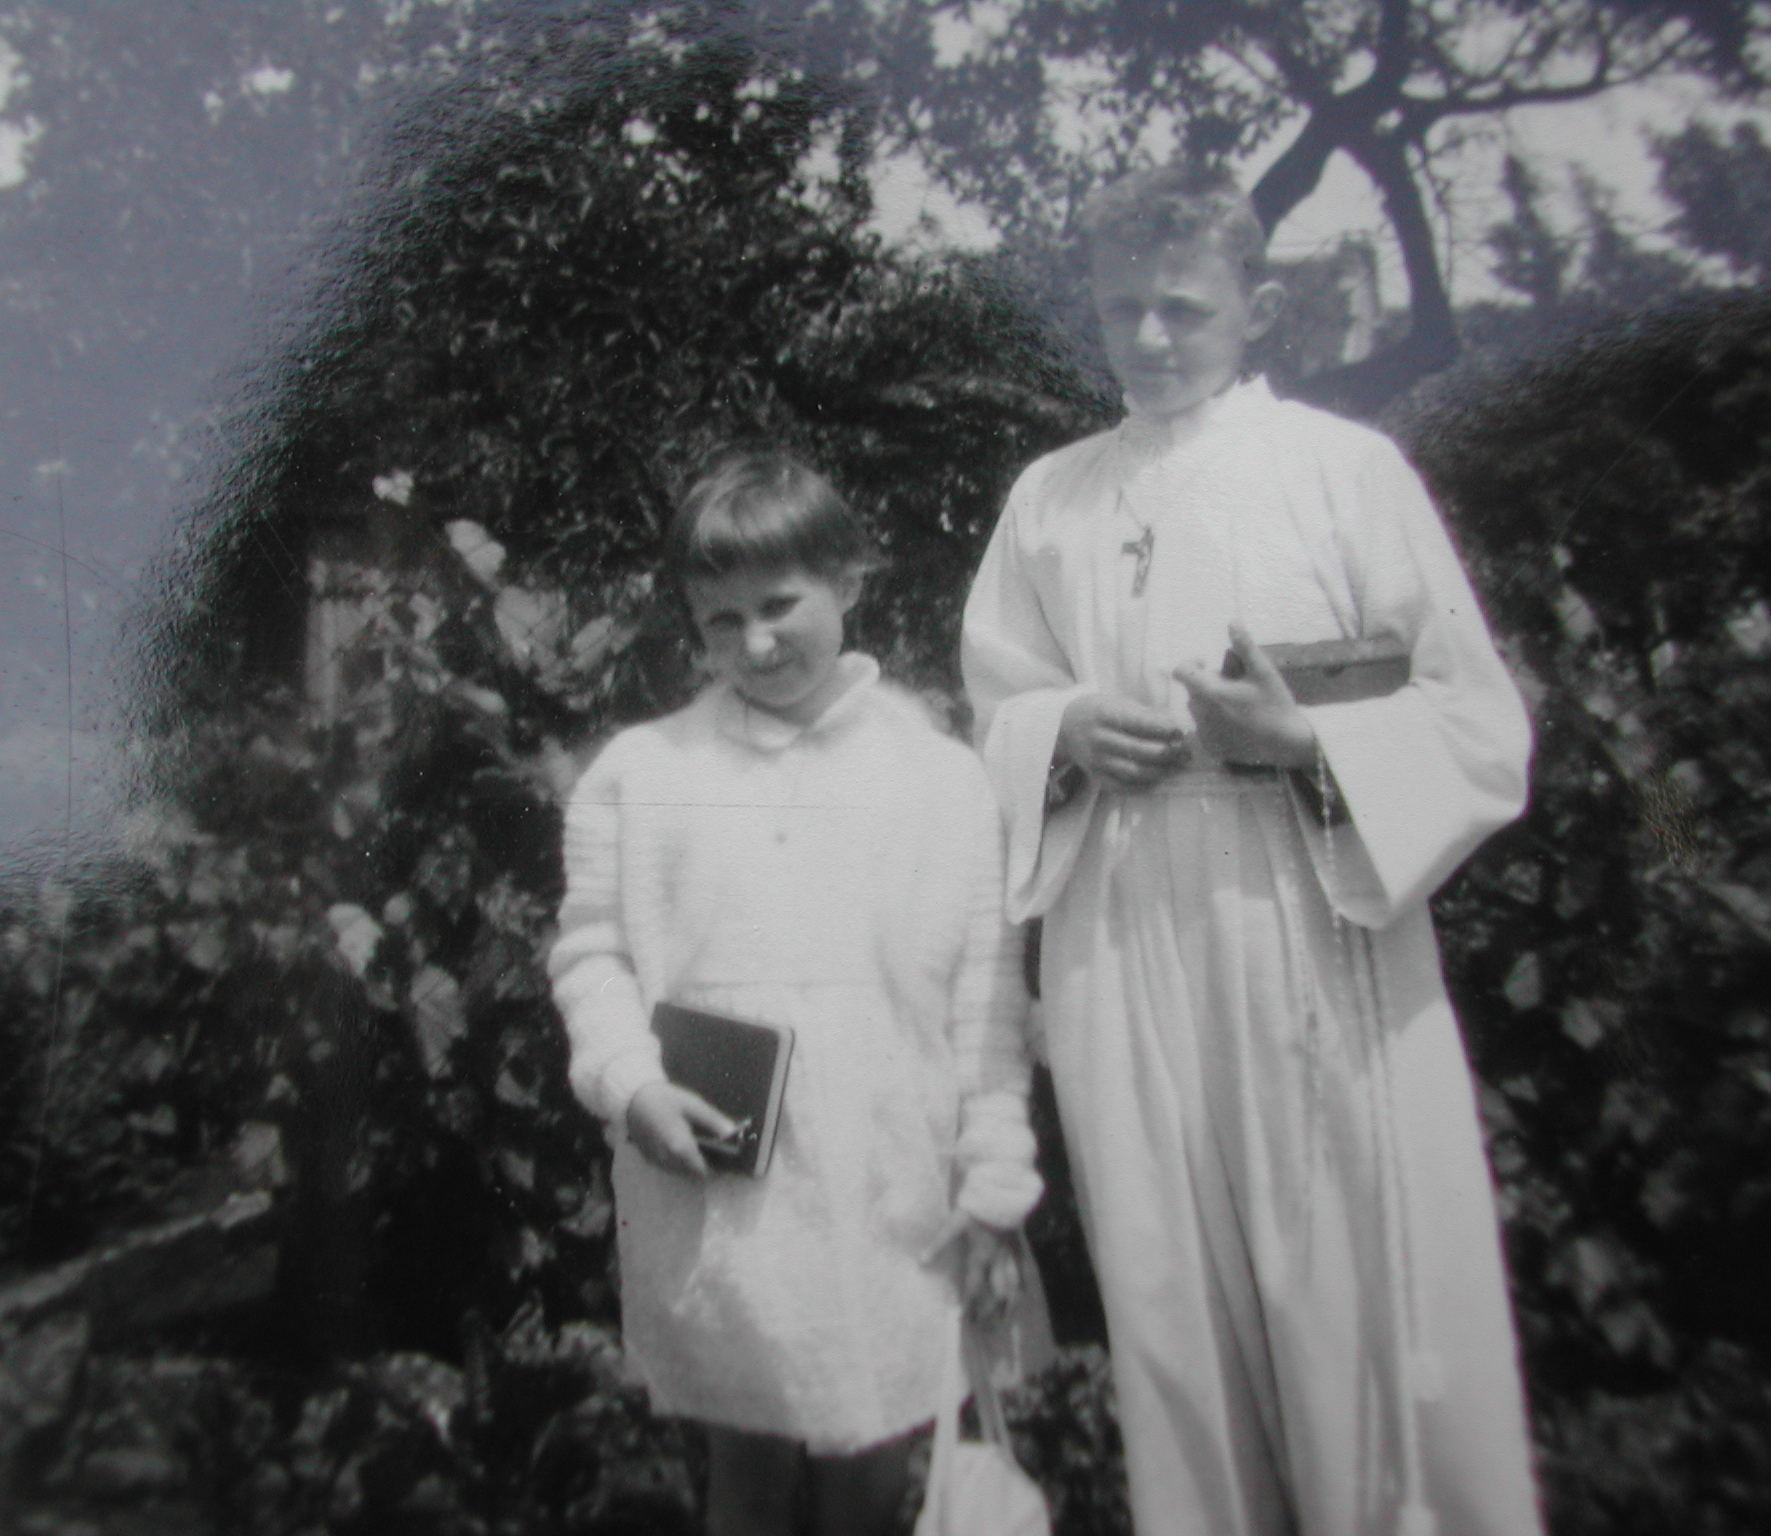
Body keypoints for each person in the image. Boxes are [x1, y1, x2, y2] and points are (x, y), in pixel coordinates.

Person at [960, 165, 1545, 1536]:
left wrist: (1304, 742)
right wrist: (1062, 731)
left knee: (1344, 1278)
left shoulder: (1342, 471)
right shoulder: (1050, 498)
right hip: (1119, 926)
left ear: (1258, 308)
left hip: (1303, 914)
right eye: (1122, 309)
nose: (1149, 335)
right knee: (1166, 1290)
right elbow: (993, 702)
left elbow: (1475, 719)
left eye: (1182, 307)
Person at [549, 451, 1043, 1536]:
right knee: (748, 1459)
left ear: (848, 580)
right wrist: (631, 1084)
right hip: (723, 1193)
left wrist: (994, 1189)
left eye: (779, 605)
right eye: (720, 621)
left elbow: (987, 1009)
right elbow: (591, 956)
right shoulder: (643, 774)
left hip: (892, 1180)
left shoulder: (940, 781)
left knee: (872, 1451)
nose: (756, 643)